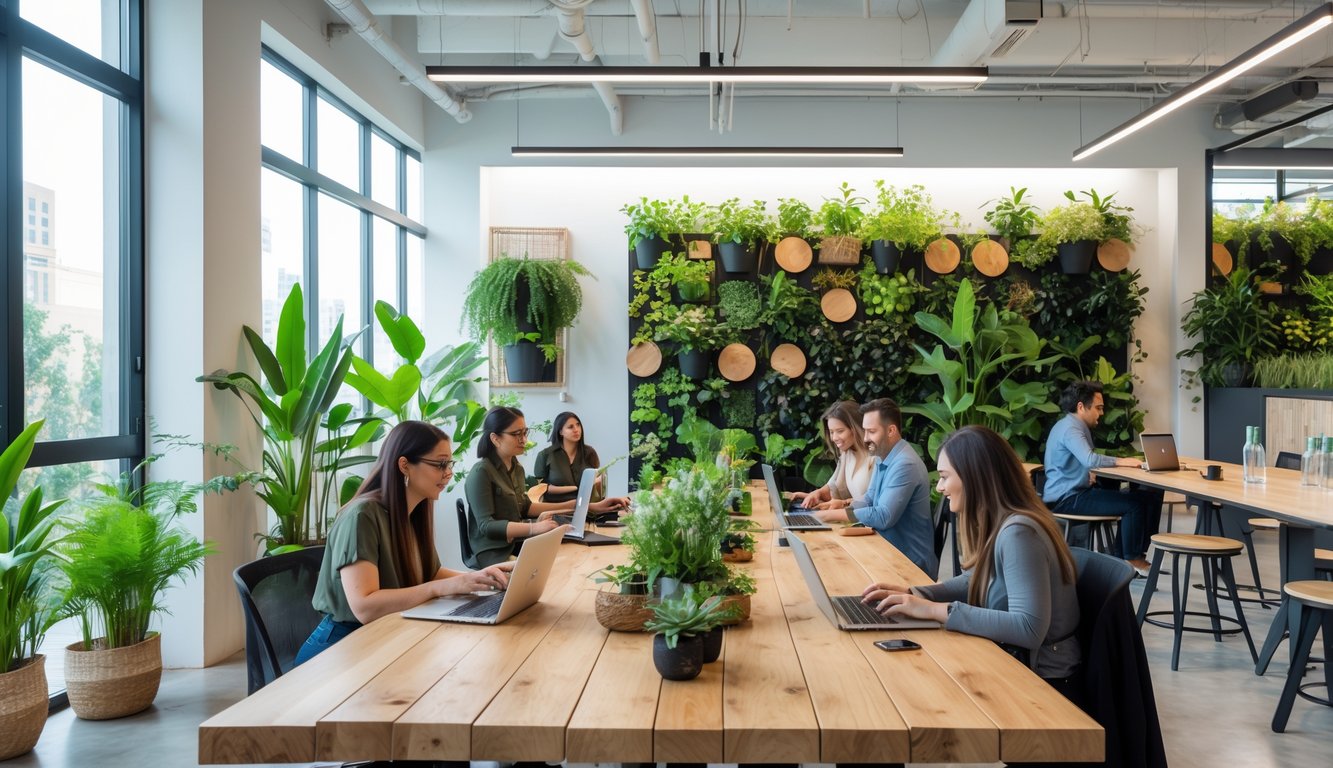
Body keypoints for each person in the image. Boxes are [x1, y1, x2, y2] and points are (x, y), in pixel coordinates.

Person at [862, 425, 1083, 700]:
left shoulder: (1018, 532)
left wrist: (935, 610)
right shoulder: (1003, 522)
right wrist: (914, 595)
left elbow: (1029, 628)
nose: (940, 487)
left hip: (1043, 683)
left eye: (944, 477)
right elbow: (974, 579)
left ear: (974, 477)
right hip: (1019, 664)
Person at [295, 420, 514, 666]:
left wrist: (480, 578)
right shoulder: (362, 515)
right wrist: (446, 587)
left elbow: (431, 573)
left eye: (449, 464)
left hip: (387, 633)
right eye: (440, 464)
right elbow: (365, 607)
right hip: (341, 648)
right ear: (404, 465)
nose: (448, 473)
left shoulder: (414, 512)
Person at [466, 406, 627, 568]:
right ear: (495, 439)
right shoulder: (481, 472)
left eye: (525, 432)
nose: (524, 440)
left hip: (515, 543)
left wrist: (590, 507)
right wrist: (533, 528)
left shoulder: (516, 468)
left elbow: (526, 508)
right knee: (559, 567)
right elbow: (486, 526)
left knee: (572, 555)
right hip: (494, 552)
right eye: (516, 434)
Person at [1042, 381, 1162, 573]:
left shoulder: (1070, 425)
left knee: (1149, 495)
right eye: (1098, 408)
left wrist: (1087, 474)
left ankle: (1127, 556)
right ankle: (1131, 558)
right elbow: (1089, 459)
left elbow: (1081, 461)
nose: (1102, 413)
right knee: (1134, 504)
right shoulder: (1071, 429)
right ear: (1081, 406)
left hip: (1074, 492)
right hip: (1068, 498)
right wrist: (1122, 461)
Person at [843, 398, 937, 578]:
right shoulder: (883, 457)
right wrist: (842, 507)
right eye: (865, 431)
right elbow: (869, 498)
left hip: (910, 565)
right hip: (889, 553)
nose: (865, 439)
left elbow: (884, 516)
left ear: (891, 430)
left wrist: (841, 515)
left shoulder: (905, 464)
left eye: (871, 432)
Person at [790, 400, 874, 512]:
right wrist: (817, 494)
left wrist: (844, 503)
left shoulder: (876, 458)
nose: (834, 438)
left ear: (856, 428)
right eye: (831, 432)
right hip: (853, 519)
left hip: (869, 524)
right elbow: (832, 487)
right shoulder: (847, 454)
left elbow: (875, 501)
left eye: (840, 431)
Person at [531, 411, 602, 504]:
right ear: (560, 432)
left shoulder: (590, 452)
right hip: (554, 509)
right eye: (570, 427)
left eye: (578, 425)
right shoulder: (545, 455)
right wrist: (576, 487)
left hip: (586, 508)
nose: (576, 429)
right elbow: (540, 488)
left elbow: (597, 480)